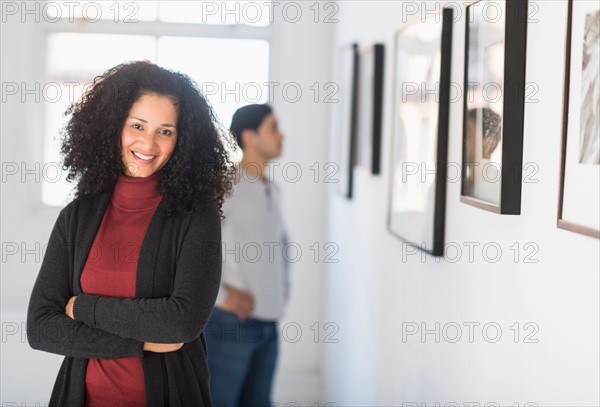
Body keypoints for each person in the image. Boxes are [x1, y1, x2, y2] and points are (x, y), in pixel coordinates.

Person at [26, 60, 236, 406]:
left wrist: (83, 308)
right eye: (137, 125)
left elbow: (181, 324)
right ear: (112, 126)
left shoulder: (196, 217)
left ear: (182, 140)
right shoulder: (77, 217)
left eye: (165, 131)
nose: (148, 143)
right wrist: (139, 341)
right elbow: (42, 328)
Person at [205, 104, 291, 407]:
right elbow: (198, 246)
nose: (282, 135)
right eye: (273, 127)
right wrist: (219, 294)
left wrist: (285, 288)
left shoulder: (273, 189)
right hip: (231, 323)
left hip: (268, 323)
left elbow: (281, 245)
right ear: (249, 136)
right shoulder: (227, 186)